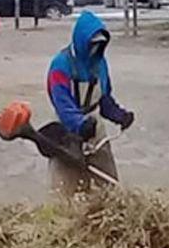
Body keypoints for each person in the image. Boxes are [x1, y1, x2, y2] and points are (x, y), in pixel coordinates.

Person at [47, 12, 135, 194]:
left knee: (109, 187)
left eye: (99, 45)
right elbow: (63, 104)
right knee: (66, 190)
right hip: (66, 132)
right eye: (92, 44)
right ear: (82, 41)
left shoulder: (100, 64)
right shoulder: (60, 66)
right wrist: (80, 125)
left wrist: (120, 116)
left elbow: (104, 98)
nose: (95, 49)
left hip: (95, 131)